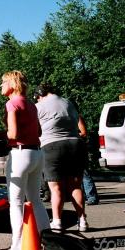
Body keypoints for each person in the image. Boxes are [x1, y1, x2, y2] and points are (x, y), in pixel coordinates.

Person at [1, 71, 50, 250]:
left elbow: (13, 134)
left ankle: (18, 245)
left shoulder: (12, 104)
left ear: (12, 84)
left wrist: (0, 134)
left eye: (3, 82)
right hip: (37, 153)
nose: (1, 86)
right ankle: (47, 240)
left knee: (16, 202)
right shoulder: (31, 104)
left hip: (20, 154)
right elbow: (38, 132)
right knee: (36, 200)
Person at [35, 83, 89, 232]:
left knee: (56, 187)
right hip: (75, 144)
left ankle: (57, 222)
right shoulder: (67, 102)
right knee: (75, 186)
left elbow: (35, 128)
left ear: (40, 94)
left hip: (52, 146)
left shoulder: (39, 106)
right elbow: (78, 121)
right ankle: (83, 220)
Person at [77, 114, 99, 205]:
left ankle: (91, 196)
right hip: (73, 147)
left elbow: (84, 132)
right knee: (78, 174)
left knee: (84, 173)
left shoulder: (76, 117)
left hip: (79, 147)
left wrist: (71, 135)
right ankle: (85, 196)